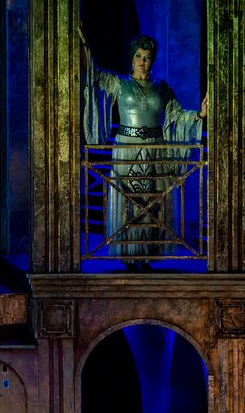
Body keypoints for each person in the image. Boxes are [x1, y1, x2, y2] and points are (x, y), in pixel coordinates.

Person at [81, 29, 208, 268]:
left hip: (155, 149)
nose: (143, 61)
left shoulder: (162, 88)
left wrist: (199, 115)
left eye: (148, 57)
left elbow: (177, 116)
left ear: (153, 60)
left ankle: (148, 254)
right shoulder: (119, 84)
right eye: (139, 56)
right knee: (129, 200)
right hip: (126, 148)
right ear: (132, 58)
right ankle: (129, 254)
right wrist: (85, 46)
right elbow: (93, 75)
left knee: (153, 201)